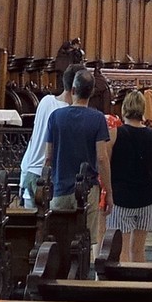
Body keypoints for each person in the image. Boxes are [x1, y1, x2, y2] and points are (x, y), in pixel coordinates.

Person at [43, 66, 112, 235]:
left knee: (57, 239)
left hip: (60, 188)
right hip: (88, 190)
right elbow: (102, 158)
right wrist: (108, 192)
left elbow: (48, 158)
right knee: (85, 241)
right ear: (91, 92)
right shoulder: (97, 119)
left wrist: (44, 186)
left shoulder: (56, 117)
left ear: (73, 89)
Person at [108, 89, 152, 263]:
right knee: (139, 250)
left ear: (124, 108)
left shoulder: (115, 134)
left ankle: (125, 288)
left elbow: (106, 163)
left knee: (122, 251)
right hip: (146, 197)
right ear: (143, 110)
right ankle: (140, 286)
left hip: (121, 197)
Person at [17, 62, 74, 209]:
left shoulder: (46, 101)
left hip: (29, 170)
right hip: (45, 176)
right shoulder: (67, 113)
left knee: (29, 226)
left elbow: (33, 138)